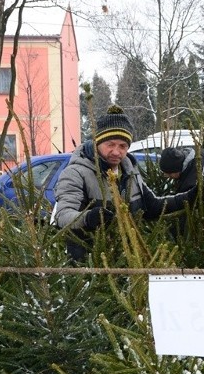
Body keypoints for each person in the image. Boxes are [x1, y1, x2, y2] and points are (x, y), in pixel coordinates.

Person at [53, 105, 195, 262]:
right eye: (110, 144)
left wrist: (187, 198)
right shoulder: (75, 173)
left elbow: (152, 205)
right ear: (97, 143)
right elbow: (63, 215)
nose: (116, 151)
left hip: (127, 261)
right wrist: (88, 218)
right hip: (89, 264)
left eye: (123, 146)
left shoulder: (130, 171)